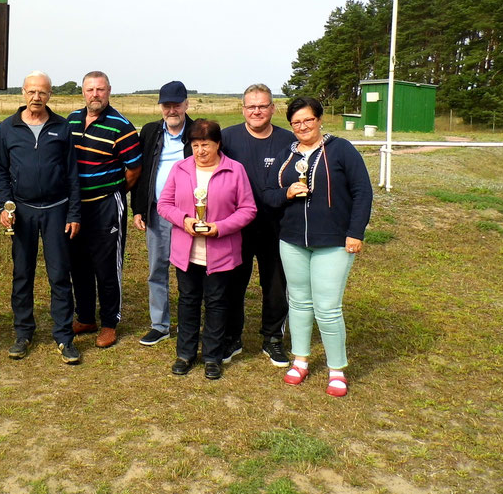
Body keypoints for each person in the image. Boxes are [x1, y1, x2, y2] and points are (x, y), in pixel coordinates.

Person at [264, 97, 373, 397]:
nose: (302, 127)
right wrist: (286, 192)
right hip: (293, 240)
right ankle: (300, 360)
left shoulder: (341, 150)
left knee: (327, 308)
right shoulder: (287, 155)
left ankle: (336, 369)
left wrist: (355, 232)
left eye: (308, 120)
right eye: (296, 122)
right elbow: (269, 194)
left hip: (334, 242)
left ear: (319, 119)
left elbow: (362, 192)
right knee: (298, 302)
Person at [0, 71, 82, 364]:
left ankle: (64, 336)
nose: (36, 97)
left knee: (59, 275)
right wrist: (6, 204)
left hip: (57, 209)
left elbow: (72, 174)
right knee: (22, 274)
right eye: (31, 92)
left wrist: (73, 212)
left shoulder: (62, 127)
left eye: (42, 92)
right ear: (23, 93)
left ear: (49, 95)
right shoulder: (8, 128)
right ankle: (23, 333)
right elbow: (1, 170)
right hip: (23, 211)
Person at [157, 120, 256, 380]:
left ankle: (212, 356)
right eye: (196, 145)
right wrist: (185, 220)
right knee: (188, 302)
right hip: (186, 253)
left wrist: (220, 227)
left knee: (216, 303)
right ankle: (185, 354)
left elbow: (248, 210)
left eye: (206, 145)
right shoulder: (180, 169)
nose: (200, 151)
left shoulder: (235, 170)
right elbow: (164, 204)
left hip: (221, 252)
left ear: (218, 144)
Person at [220, 84, 295, 367]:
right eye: (251, 106)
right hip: (237, 229)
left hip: (277, 227)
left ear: (273, 109)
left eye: (262, 106)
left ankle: (273, 339)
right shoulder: (227, 138)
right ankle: (231, 337)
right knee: (233, 285)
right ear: (242, 109)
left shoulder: (289, 141)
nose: (257, 111)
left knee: (275, 286)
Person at [67, 71, 142, 348]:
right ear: (83, 92)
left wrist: (115, 193)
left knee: (107, 266)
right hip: (75, 207)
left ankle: (110, 322)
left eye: (100, 89)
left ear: (108, 91)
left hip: (107, 205)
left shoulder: (121, 126)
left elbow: (134, 169)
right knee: (79, 263)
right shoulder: (72, 121)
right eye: (89, 90)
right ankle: (85, 316)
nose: (95, 95)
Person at [131, 80, 196, 346]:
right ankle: (160, 325)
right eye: (166, 105)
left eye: (176, 105)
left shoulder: (197, 131)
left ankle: (189, 324)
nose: (172, 110)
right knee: (157, 269)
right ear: (160, 107)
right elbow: (141, 172)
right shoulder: (149, 132)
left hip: (190, 216)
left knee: (189, 272)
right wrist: (138, 209)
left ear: (186, 105)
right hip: (157, 213)